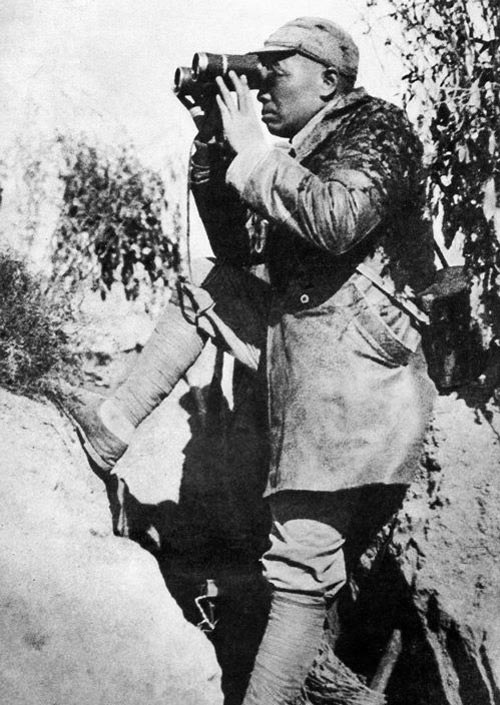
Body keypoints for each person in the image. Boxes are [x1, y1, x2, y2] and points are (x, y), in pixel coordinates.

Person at [65, 17, 436, 705]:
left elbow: (337, 220)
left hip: (362, 367)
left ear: (329, 80)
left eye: (277, 71)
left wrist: (257, 154)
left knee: (301, 560)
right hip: (302, 342)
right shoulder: (300, 146)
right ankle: (111, 424)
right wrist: (215, 142)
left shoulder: (377, 128)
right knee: (213, 281)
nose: (262, 87)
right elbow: (241, 252)